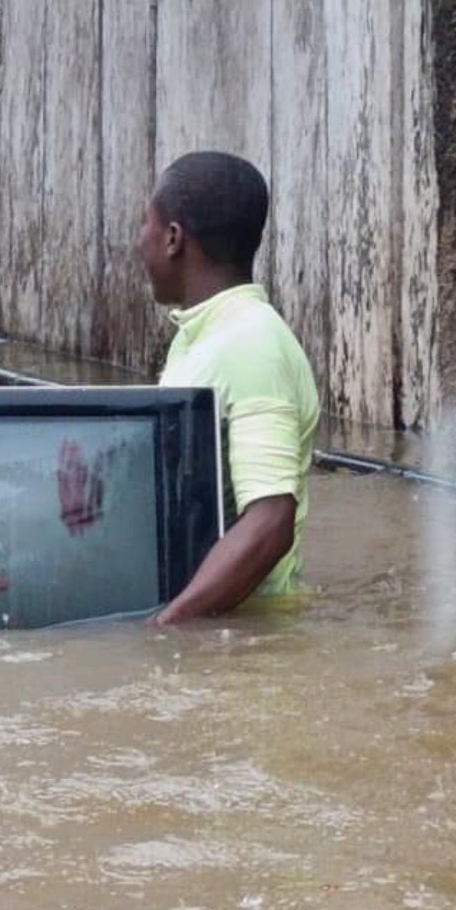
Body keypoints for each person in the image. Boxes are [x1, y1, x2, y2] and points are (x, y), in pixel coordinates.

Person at [138, 150, 319, 623]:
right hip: (213, 624)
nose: (140, 242)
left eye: (146, 225)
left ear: (173, 237)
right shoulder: (202, 337)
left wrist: (168, 625)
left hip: (245, 638)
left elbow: (270, 521)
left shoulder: (251, 344)